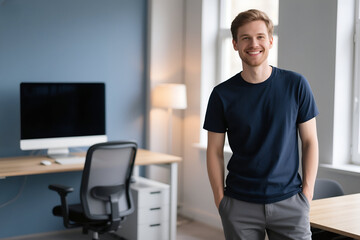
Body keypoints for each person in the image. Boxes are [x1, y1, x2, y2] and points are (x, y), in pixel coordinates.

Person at [203, 9, 319, 240]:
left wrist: (307, 194)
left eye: (260, 37)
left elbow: (310, 141)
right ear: (235, 44)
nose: (253, 44)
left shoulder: (296, 85)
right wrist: (220, 199)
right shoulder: (221, 95)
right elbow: (214, 150)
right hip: (239, 204)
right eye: (245, 38)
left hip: (291, 203)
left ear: (270, 41)